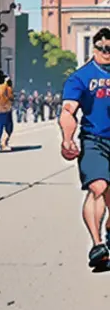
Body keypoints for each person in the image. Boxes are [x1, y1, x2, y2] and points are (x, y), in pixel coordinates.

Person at [60, 27, 110, 271]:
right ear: (95, 48)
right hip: (94, 139)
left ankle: (108, 229)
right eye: (103, 49)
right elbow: (68, 110)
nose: (107, 53)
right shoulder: (81, 77)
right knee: (98, 186)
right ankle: (97, 245)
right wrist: (68, 139)